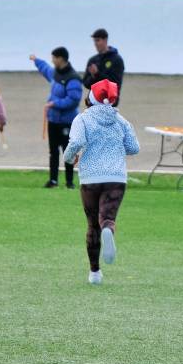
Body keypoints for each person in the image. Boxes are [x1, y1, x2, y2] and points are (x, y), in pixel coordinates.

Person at [63, 79, 140, 285]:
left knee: (91, 225)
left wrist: (69, 158)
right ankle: (108, 227)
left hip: (90, 177)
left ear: (91, 98)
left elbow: (76, 142)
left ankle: (95, 272)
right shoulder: (121, 120)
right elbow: (134, 147)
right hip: (115, 176)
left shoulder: (82, 119)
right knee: (107, 218)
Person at [31, 47, 83, 189]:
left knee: (68, 151)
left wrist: (55, 103)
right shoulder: (55, 74)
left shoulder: (73, 79)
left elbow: (73, 100)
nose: (52, 60)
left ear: (61, 59)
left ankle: (69, 182)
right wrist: (36, 61)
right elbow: (45, 69)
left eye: (54, 57)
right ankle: (53, 181)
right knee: (53, 151)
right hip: (53, 120)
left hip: (67, 121)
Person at [82, 28, 125, 107]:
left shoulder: (116, 60)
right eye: (94, 41)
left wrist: (97, 74)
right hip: (92, 104)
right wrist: (93, 76)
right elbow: (86, 84)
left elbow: (115, 83)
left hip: (109, 103)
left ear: (105, 40)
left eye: (98, 40)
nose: (95, 43)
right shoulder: (92, 60)